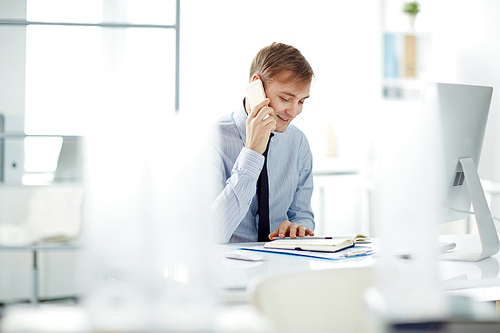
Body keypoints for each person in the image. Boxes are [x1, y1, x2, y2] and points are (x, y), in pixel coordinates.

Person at [210, 42, 315, 243]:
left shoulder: (298, 142)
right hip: (227, 271)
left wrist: (297, 229)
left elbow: (303, 216)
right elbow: (211, 236)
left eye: (301, 101)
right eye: (286, 98)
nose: (294, 112)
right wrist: (252, 153)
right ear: (256, 85)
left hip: (280, 269)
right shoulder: (212, 141)